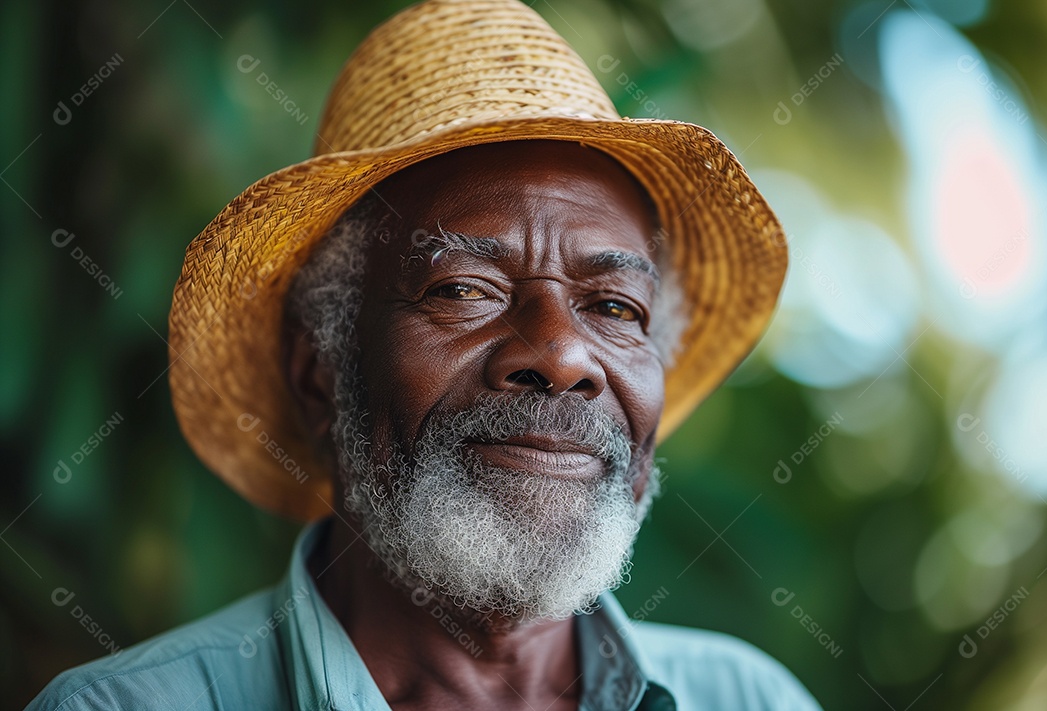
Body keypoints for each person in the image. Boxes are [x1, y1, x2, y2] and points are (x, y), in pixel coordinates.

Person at [29, 0, 818, 708]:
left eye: (615, 307)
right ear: (321, 372)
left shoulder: (751, 698)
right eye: (463, 290)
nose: (561, 354)